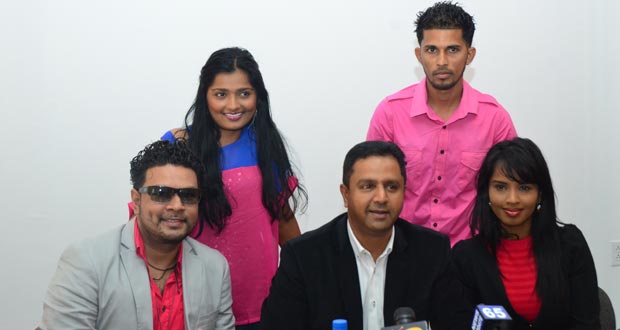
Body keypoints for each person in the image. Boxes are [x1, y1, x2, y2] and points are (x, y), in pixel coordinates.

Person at [161, 47, 307, 329]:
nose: (233, 105)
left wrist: (310, 273)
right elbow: (151, 221)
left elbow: (283, 218)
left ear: (258, 96)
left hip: (261, 299)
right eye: (220, 94)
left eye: (244, 93)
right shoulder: (178, 143)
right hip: (196, 299)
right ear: (205, 95)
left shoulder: (266, 143)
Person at [260, 141, 469, 330]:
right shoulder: (303, 256)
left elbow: (455, 323)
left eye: (391, 187)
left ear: (404, 193)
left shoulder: (431, 251)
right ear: (346, 194)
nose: (381, 197)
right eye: (368, 186)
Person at [38, 140, 234, 330]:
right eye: (161, 193)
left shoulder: (215, 267)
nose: (177, 205)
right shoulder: (86, 262)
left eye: (188, 195)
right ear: (137, 200)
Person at [366, 1, 517, 245]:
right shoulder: (390, 113)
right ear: (419, 54)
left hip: (470, 253)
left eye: (453, 50)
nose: (442, 61)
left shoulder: (495, 119)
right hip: (402, 250)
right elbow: (371, 188)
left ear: (470, 54)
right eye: (432, 50)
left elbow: (511, 192)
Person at [452, 137, 600, 329]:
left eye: (524, 188)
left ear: (540, 193)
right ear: (486, 192)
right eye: (501, 187)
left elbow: (587, 324)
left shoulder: (571, 245)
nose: (512, 199)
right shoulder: (465, 257)